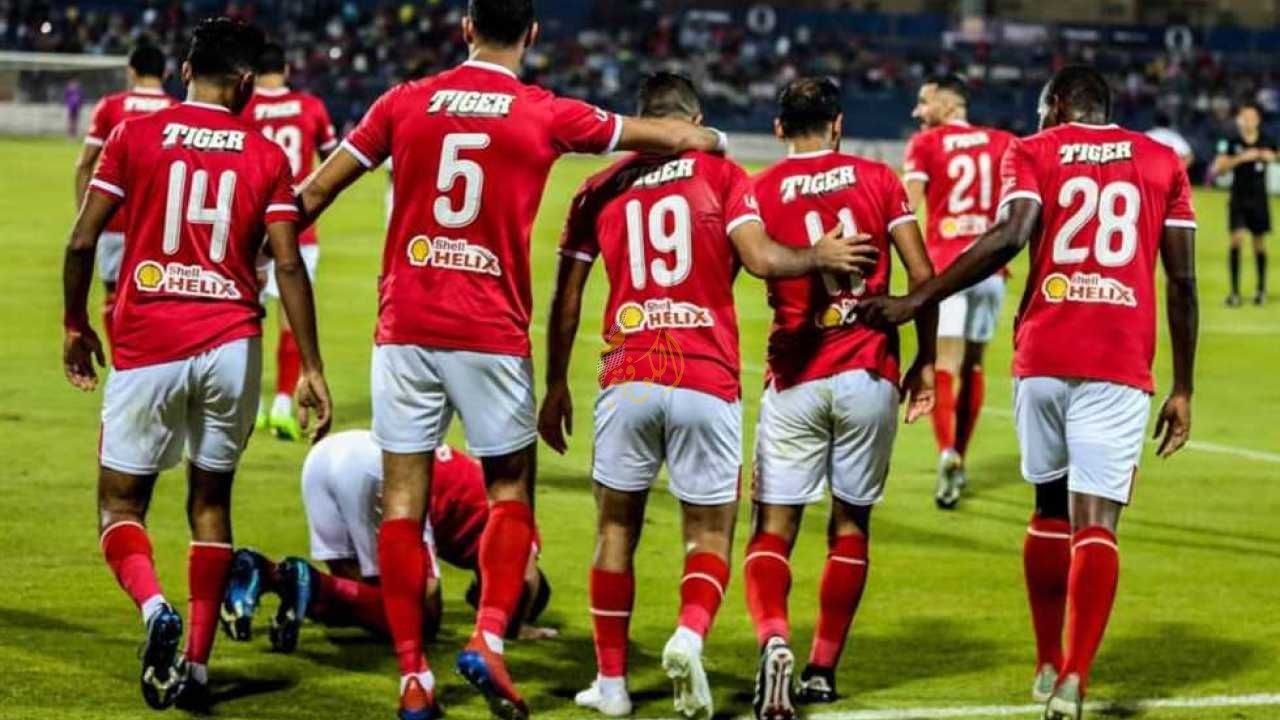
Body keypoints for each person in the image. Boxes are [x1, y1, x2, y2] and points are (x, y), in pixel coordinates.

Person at [294, 1, 729, 717]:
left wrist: (245, 248)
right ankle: (490, 638)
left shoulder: (403, 101)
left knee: (402, 502)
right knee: (508, 492)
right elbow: (674, 135)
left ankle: (413, 677)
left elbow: (311, 193)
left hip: (405, 325)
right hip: (489, 329)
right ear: (531, 34)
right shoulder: (547, 112)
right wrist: (710, 135)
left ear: (466, 28)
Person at [859, 65, 1198, 720]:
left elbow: (1011, 235)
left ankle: (1045, 662)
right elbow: (1181, 282)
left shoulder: (1034, 150)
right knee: (1095, 522)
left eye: (1044, 110)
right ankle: (1073, 679)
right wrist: (1182, 385)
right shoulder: (1162, 162)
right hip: (1119, 358)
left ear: (1059, 105)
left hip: (1044, 354)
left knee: (1047, 508)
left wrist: (918, 298)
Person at [539, 72, 877, 720]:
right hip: (703, 373)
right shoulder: (721, 174)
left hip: (630, 372)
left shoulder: (597, 189)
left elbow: (567, 298)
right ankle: (689, 635)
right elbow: (761, 259)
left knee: (615, 528)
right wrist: (818, 254)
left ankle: (611, 685)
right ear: (694, 121)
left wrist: (555, 384)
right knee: (710, 535)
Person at [61, 17, 332, 712]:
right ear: (244, 84)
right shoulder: (266, 154)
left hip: (149, 337)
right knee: (210, 503)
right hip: (231, 342)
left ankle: (156, 609)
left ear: (186, 71)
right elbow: (289, 265)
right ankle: (200, 667)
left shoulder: (134, 135)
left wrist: (75, 324)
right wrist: (311, 367)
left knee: (121, 505)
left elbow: (82, 240)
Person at [745, 76, 937, 719]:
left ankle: (774, 640)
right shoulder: (879, 178)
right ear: (838, 123)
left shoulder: (757, 189)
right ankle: (823, 670)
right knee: (850, 523)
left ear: (778, 128)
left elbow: (750, 262)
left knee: (773, 529)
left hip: (795, 372)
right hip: (869, 372)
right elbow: (923, 276)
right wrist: (926, 362)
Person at [219, 430, 554, 651]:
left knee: (357, 599)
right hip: (390, 476)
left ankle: (269, 573)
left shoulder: (482, 518)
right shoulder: (518, 532)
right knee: (422, 620)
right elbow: (527, 579)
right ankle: (305, 582)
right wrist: (515, 626)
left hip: (330, 455)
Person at [903, 74, 1016, 508]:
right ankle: (961, 459)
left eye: (924, 102)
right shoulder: (1003, 143)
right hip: (989, 267)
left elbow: (908, 206)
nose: (917, 111)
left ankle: (947, 452)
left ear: (948, 106)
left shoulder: (925, 144)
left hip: (947, 267)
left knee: (943, 363)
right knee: (974, 364)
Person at [240, 41, 339, 439]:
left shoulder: (243, 107)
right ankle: (283, 403)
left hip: (249, 227)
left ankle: (250, 404)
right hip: (298, 225)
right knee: (291, 314)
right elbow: (332, 161)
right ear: (285, 69)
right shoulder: (310, 106)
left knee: (245, 317)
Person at [73, 43, 176, 345]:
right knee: (156, 294)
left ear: (131, 72)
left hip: (114, 219)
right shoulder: (177, 110)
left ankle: (121, 359)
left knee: (113, 293)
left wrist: (85, 216)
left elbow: (84, 164)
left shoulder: (111, 106)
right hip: (162, 223)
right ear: (166, 73)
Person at [1213, 102, 1274, 306]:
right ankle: (1234, 293)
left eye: (1252, 118)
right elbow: (1220, 167)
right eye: (1245, 117)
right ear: (1240, 120)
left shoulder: (1266, 140)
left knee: (1259, 245)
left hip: (1259, 200)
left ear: (1258, 120)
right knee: (1236, 240)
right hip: (1238, 198)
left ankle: (1261, 290)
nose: (1248, 121)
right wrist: (1241, 158)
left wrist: (1271, 157)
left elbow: (1276, 155)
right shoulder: (1230, 141)